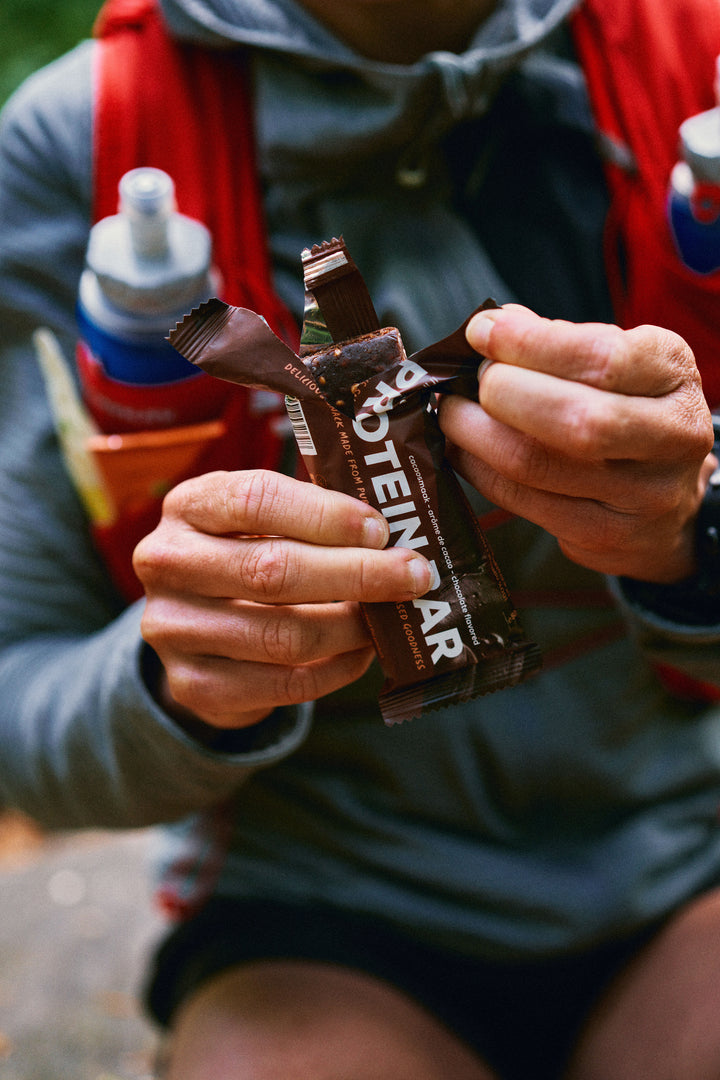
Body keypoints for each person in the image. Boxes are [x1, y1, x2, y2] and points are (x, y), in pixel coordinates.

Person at [1, 0, 719, 1077]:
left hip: (692, 857)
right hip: (318, 908)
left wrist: (696, 528)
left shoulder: (691, 60)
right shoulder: (89, 142)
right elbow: (23, 702)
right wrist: (177, 680)